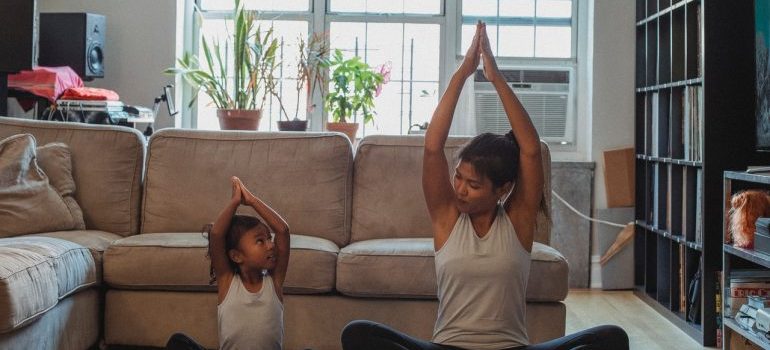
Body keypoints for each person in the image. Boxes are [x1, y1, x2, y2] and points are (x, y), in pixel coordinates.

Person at [340, 21, 629, 350]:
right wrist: (463, 73)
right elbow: (433, 147)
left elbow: (531, 150)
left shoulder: (518, 222)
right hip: (448, 348)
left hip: (511, 348)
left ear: (503, 189)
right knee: (359, 333)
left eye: (473, 185)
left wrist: (495, 77)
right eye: (458, 177)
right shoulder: (447, 217)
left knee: (610, 338)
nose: (460, 189)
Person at [166, 176, 290, 350]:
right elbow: (216, 235)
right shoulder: (228, 282)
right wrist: (234, 202)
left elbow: (283, 231)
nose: (271, 245)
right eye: (260, 241)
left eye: (269, 238)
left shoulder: (274, 281)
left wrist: (252, 201)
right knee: (178, 342)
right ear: (236, 256)